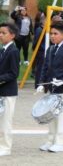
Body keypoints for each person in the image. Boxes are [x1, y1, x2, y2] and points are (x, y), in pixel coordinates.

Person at [37, 22, 63, 152]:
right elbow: (45, 68)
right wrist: (41, 84)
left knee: (61, 116)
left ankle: (60, 143)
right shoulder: (50, 49)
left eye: (56, 33)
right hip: (50, 89)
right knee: (51, 116)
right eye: (51, 34)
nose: (53, 36)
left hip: (62, 89)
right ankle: (50, 141)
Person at [0, 23, 20, 156]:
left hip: (8, 92)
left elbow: (14, 73)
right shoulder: (2, 49)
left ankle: (6, 147)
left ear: (12, 35)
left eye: (3, 33)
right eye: (0, 33)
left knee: (6, 121)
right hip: (1, 90)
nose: (0, 35)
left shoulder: (13, 51)